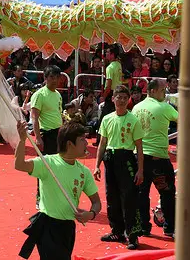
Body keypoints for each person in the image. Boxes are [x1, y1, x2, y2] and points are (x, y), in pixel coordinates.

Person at [15, 121, 101, 260]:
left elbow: (96, 202)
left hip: (68, 228)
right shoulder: (48, 163)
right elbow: (20, 165)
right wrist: (22, 140)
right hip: (48, 226)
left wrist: (90, 214)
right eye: (82, 140)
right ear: (69, 144)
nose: (86, 143)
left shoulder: (84, 172)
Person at [94, 86, 144, 249]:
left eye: (124, 97)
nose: (121, 100)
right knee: (112, 196)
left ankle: (133, 235)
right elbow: (102, 144)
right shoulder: (107, 119)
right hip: (110, 159)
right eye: (118, 97)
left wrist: (140, 169)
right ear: (113, 99)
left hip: (127, 159)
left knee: (129, 197)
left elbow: (139, 147)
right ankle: (117, 230)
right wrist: (97, 165)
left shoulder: (133, 120)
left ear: (128, 99)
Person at [132, 79, 178, 237]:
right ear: (152, 91)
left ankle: (144, 227)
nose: (164, 94)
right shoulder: (164, 107)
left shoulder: (136, 108)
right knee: (167, 193)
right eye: (162, 91)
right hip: (158, 158)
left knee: (141, 194)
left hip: (140, 158)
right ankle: (170, 227)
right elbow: (182, 119)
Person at [30, 66, 63, 154]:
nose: (55, 80)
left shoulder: (58, 94)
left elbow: (58, 113)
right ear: (45, 78)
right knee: (45, 164)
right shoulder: (39, 95)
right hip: (46, 133)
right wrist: (38, 138)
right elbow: (34, 118)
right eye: (52, 77)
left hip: (58, 133)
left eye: (57, 77)